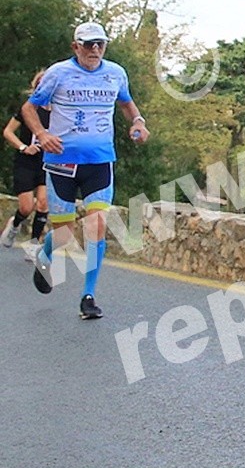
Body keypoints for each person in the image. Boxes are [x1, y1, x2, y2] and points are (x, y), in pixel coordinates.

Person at [23, 22, 150, 319]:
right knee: (64, 233)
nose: (95, 49)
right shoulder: (58, 73)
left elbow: (127, 103)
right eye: (89, 44)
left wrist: (138, 122)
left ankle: (88, 296)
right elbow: (29, 108)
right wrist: (42, 134)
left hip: (100, 161)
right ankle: (45, 252)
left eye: (100, 44)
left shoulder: (115, 73)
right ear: (75, 46)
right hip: (62, 163)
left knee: (97, 225)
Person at [2, 70, 50, 254]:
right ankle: (15, 225)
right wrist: (23, 147)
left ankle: (34, 244)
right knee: (26, 206)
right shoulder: (29, 109)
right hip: (26, 162)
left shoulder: (61, 111)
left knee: (43, 203)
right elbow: (8, 132)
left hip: (47, 163)